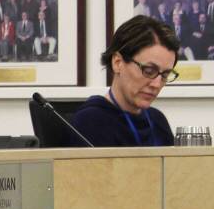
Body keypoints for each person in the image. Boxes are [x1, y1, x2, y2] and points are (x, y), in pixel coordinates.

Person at [69, 16, 178, 147]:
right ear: (118, 63)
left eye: (165, 75)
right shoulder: (90, 122)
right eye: (149, 71)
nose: (156, 84)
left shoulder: (158, 121)